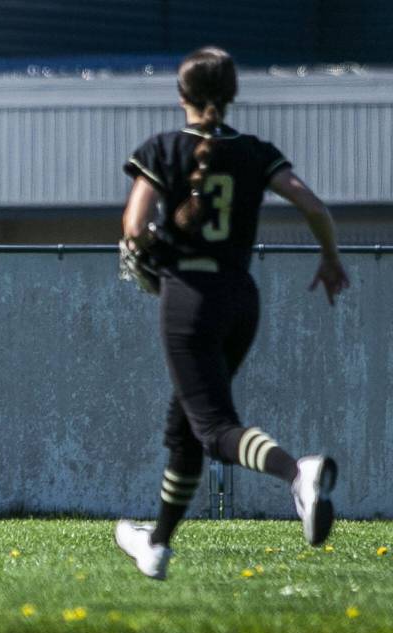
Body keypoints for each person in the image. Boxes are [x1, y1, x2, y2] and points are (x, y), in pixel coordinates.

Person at [115, 47, 350, 579]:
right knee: (185, 426)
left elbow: (134, 227)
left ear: (182, 97)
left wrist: (152, 247)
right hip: (241, 298)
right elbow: (312, 205)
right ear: (232, 96)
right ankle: (157, 545)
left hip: (189, 299)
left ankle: (297, 471)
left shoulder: (164, 148)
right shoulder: (254, 151)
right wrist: (331, 259)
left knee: (216, 429)